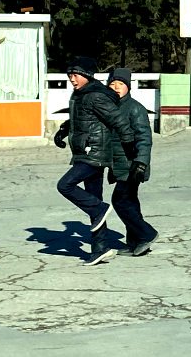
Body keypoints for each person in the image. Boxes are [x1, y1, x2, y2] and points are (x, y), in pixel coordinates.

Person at [53, 58, 137, 265]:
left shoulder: (96, 96)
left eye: (76, 75)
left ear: (87, 75)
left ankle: (99, 210)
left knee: (65, 185)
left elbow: (118, 120)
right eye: (69, 76)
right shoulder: (80, 95)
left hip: (94, 154)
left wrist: (129, 147)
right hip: (85, 152)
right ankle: (100, 248)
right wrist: (63, 130)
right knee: (93, 199)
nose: (72, 79)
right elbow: (80, 119)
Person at [106, 68, 158, 256]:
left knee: (120, 201)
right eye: (112, 84)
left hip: (133, 165)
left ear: (128, 87)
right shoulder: (109, 107)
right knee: (131, 203)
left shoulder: (135, 108)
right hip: (120, 164)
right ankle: (136, 243)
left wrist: (141, 163)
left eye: (120, 84)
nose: (116, 87)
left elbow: (144, 138)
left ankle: (147, 233)